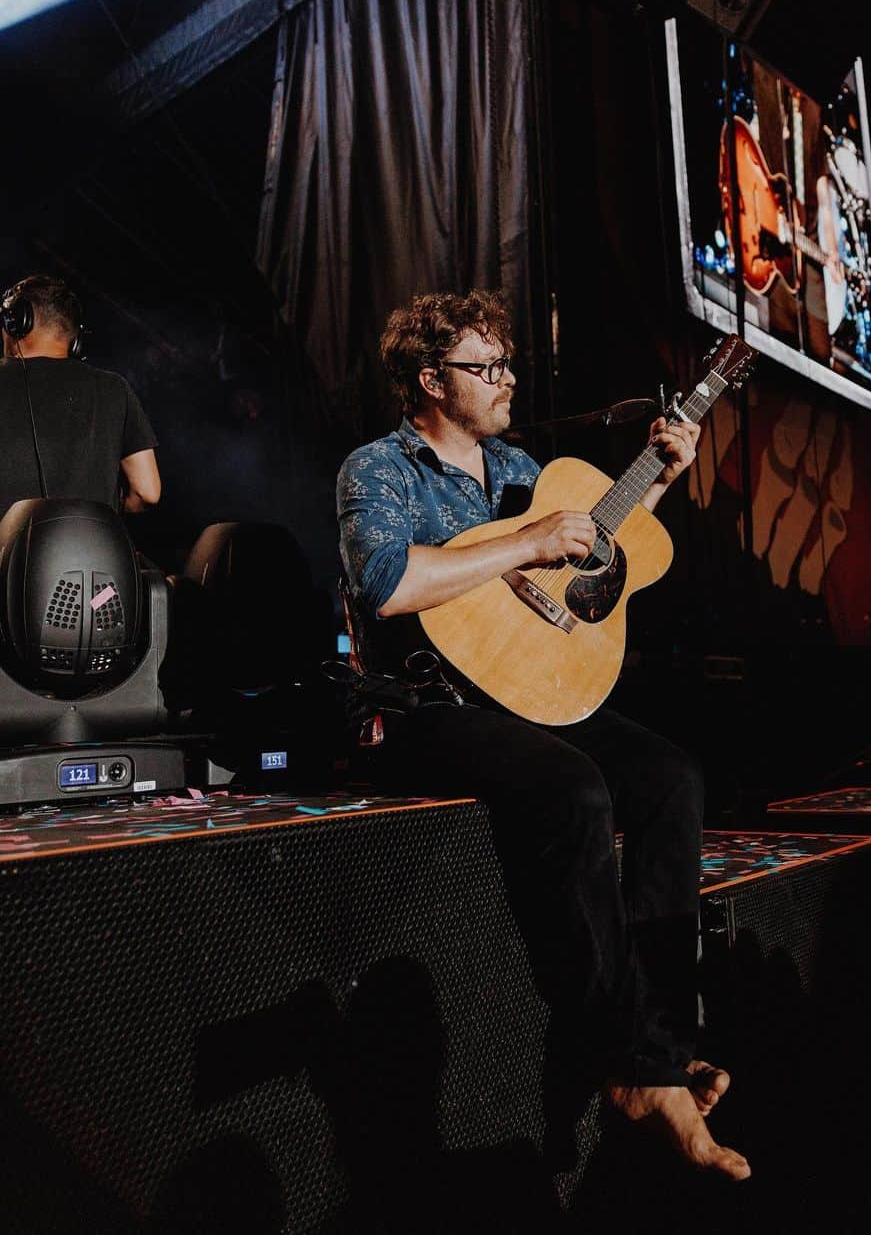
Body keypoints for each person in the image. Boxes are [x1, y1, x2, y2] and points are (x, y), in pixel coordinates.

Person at [337, 289, 750, 1178]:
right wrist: (524, 542)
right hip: (429, 705)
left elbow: (601, 551)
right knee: (572, 791)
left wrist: (659, 478)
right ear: (429, 381)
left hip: (529, 693)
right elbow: (386, 583)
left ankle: (663, 1053)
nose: (507, 379)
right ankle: (627, 1063)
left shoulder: (522, 467)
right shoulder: (379, 469)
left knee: (671, 777)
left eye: (507, 362)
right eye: (484, 367)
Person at [0, 275, 160, 519]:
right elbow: (148, 492)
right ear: (74, 340)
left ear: (19, 322)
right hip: (95, 552)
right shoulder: (114, 387)